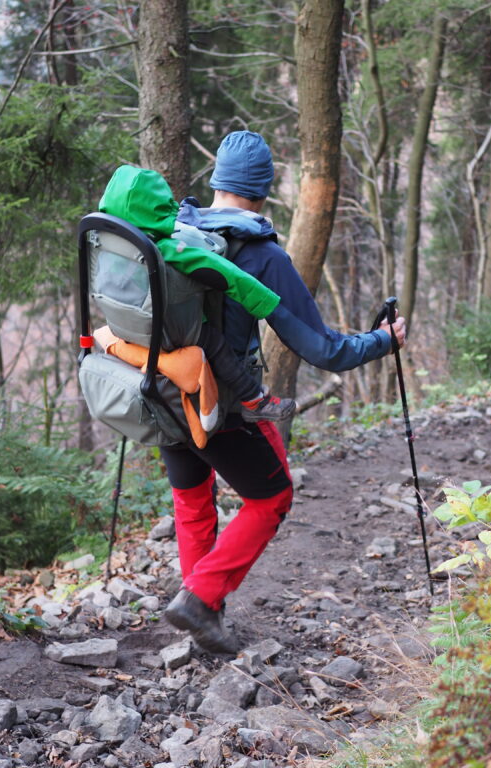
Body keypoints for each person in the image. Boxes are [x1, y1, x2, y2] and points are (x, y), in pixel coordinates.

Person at [162, 130, 407, 653]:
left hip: (164, 390)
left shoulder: (176, 229)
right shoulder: (261, 254)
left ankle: (204, 617)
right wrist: (383, 341)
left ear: (217, 182)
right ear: (263, 190)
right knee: (272, 497)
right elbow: (322, 349)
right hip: (221, 402)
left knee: (192, 500)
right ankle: (201, 601)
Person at [97, 165, 295, 423]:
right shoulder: (168, 248)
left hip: (125, 324)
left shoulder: (103, 237)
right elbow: (231, 276)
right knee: (213, 342)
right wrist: (269, 304)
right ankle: (253, 399)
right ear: (157, 208)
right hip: (166, 330)